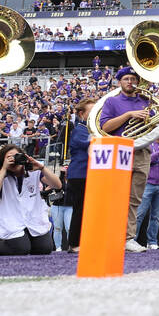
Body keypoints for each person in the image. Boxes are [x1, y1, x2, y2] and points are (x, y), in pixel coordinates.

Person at [95, 65, 156, 254]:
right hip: (120, 151)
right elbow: (105, 126)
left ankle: (128, 238)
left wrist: (151, 111)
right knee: (116, 197)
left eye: (133, 79)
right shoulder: (112, 102)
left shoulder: (146, 101)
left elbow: (157, 124)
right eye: (126, 79)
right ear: (119, 82)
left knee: (135, 199)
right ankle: (111, 236)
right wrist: (129, 115)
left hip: (142, 152)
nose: (131, 82)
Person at [0, 146, 60, 256]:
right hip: (11, 220)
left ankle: (26, 241)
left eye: (16, 156)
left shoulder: (34, 171)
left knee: (45, 249)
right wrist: (4, 169)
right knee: (21, 249)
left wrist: (42, 168)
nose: (13, 160)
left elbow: (57, 185)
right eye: (9, 157)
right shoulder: (0, 174)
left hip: (33, 218)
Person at [64, 98, 94, 251]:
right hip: (79, 175)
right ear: (81, 114)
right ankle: (74, 243)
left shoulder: (89, 129)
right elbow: (92, 142)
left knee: (87, 210)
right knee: (80, 209)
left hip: (88, 174)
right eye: (92, 111)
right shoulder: (79, 129)